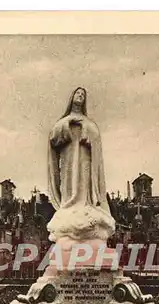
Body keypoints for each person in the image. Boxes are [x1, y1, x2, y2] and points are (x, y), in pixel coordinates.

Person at [47, 87, 115, 242]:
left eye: (83, 94)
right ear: (72, 97)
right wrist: (68, 124)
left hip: (84, 160)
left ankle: (85, 205)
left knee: (83, 183)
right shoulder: (63, 122)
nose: (80, 96)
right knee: (69, 183)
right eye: (78, 93)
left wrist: (86, 130)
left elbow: (95, 138)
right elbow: (53, 137)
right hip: (68, 160)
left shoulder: (89, 123)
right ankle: (70, 206)